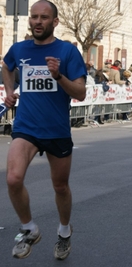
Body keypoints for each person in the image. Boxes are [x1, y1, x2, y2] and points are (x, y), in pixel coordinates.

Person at [2, 0, 86, 260]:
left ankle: (63, 232)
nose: (38, 21)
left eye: (44, 17)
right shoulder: (19, 49)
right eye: (34, 17)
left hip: (57, 129)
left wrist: (59, 76)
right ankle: (29, 229)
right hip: (26, 127)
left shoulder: (68, 52)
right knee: (13, 178)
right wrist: (9, 91)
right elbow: (6, 66)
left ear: (55, 22)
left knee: (60, 187)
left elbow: (81, 93)